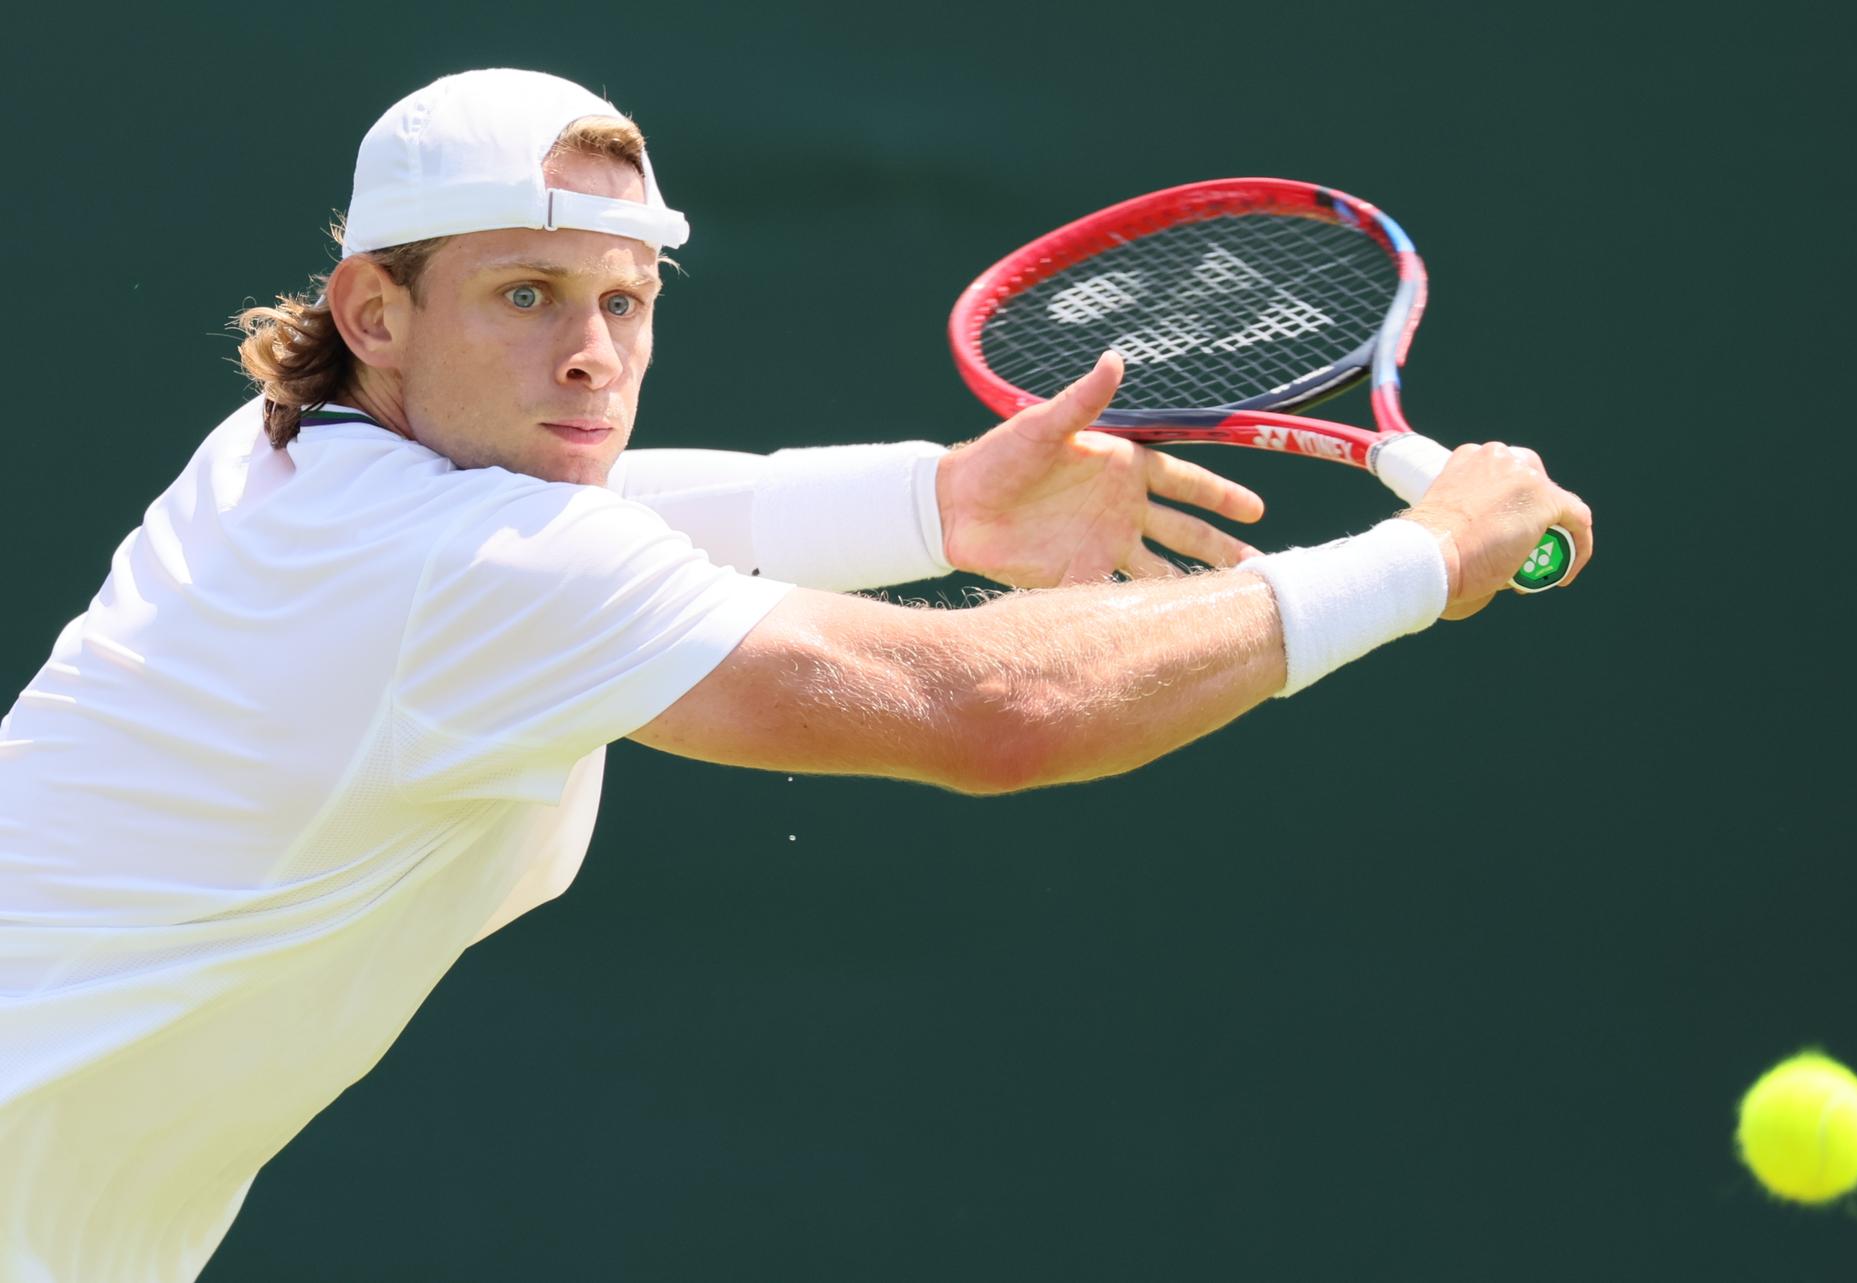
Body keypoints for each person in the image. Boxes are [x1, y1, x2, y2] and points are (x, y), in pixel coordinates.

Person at [0, 68, 1591, 1282]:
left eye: (626, 302)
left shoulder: (300, 457)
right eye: (529, 295)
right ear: (375, 311)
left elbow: (641, 506)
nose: (594, 355)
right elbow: (997, 712)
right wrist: (1418, 562)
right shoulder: (466, 573)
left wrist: (940, 505)